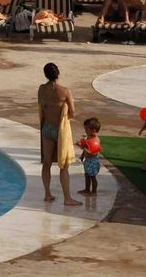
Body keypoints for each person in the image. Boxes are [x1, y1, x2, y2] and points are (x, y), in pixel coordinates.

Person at [37, 64, 82, 206]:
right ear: (58, 73)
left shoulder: (41, 89)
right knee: (64, 165)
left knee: (47, 162)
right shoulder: (65, 91)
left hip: (47, 128)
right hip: (60, 130)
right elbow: (73, 113)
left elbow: (41, 108)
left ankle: (47, 194)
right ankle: (67, 198)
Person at [77, 118, 103, 196]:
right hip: (88, 161)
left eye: (86, 129)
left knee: (92, 176)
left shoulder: (95, 140)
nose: (85, 131)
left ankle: (94, 191)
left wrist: (81, 147)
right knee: (87, 175)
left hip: (93, 161)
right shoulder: (88, 138)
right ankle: (87, 189)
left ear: (94, 130)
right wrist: (82, 155)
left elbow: (93, 153)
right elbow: (86, 148)